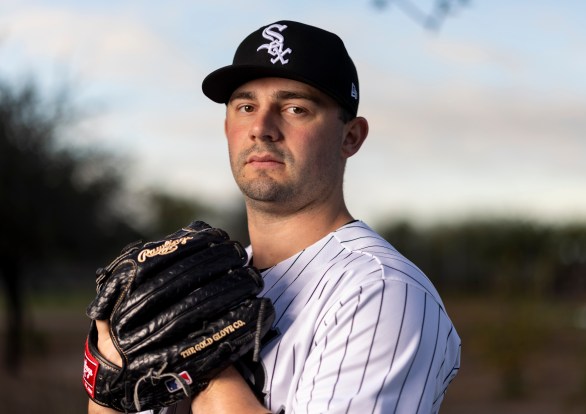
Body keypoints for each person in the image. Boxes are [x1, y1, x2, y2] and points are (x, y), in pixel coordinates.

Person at [88, 20, 461, 414]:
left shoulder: (381, 293)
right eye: (246, 107)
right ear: (228, 126)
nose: (261, 128)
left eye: (295, 108)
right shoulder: (196, 285)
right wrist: (109, 370)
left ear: (350, 137)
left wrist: (204, 364)